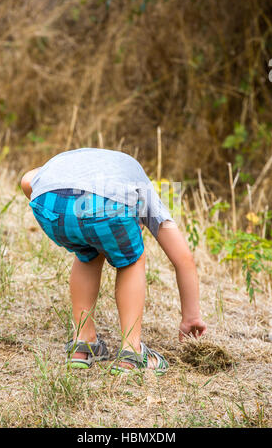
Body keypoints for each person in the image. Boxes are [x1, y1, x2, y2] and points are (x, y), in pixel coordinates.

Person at [21, 148, 206, 375]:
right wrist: (191, 317)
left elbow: (27, 181)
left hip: (47, 198)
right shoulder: (145, 192)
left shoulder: (80, 166)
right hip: (104, 202)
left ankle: (83, 344)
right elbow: (183, 259)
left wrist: (58, 209)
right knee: (132, 260)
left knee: (87, 251)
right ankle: (131, 353)